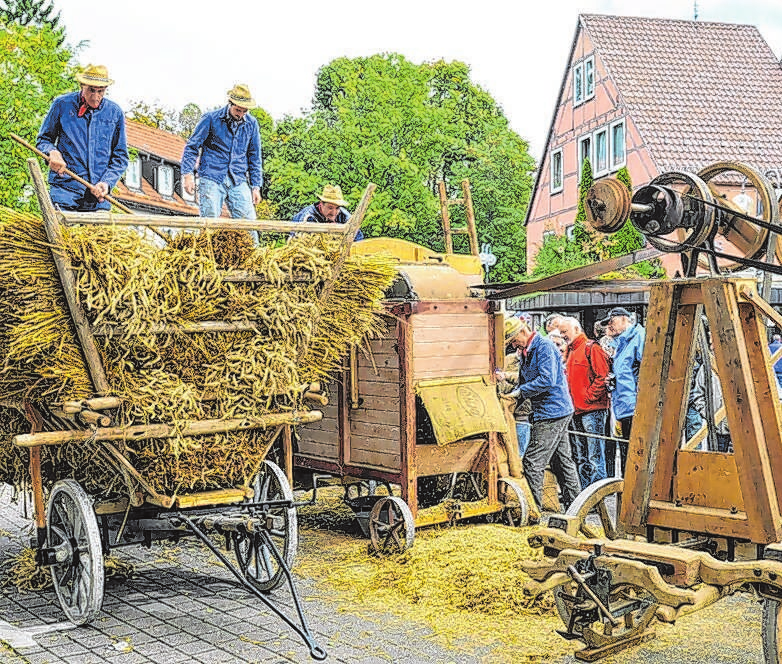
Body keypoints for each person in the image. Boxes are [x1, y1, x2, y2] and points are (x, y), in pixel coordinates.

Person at [505, 314, 581, 511]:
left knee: (532, 462)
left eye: (514, 340)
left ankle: (532, 511)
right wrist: (511, 393)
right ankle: (577, 508)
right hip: (554, 410)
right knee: (562, 462)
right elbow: (526, 380)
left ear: (523, 332)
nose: (514, 345)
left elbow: (547, 380)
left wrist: (520, 393)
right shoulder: (527, 351)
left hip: (552, 412)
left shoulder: (544, 347)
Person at [36, 64, 128, 211]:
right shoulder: (62, 105)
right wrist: (51, 152)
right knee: (60, 231)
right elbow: (44, 140)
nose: (96, 96)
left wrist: (106, 183)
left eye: (101, 91)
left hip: (98, 199)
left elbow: (120, 158)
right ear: (82, 85)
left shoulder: (115, 113)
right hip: (65, 191)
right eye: (91, 90)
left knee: (101, 233)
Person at [181, 84, 262, 220]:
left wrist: (256, 186)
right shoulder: (211, 119)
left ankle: (252, 242)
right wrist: (187, 175)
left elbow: (254, 156)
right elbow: (192, 147)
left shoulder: (252, 124)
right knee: (210, 220)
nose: (240, 114)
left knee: (248, 222)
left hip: (238, 178)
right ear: (230, 103)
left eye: (244, 111)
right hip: (212, 175)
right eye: (238, 110)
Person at [558, 316, 610, 488]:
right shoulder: (571, 351)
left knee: (594, 455)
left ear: (576, 329)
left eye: (565, 331)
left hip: (591, 410)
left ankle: (596, 495)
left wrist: (589, 397)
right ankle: (587, 493)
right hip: (577, 410)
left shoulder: (591, 348)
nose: (562, 335)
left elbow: (602, 377)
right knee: (582, 456)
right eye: (561, 332)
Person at [601, 306, 645, 476]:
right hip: (622, 406)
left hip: (634, 406)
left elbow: (646, 369)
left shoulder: (638, 337)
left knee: (633, 454)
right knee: (626, 452)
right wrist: (613, 381)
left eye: (612, 321)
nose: (609, 326)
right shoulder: (620, 343)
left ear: (624, 319)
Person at [496, 315, 533, 457]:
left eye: (514, 341)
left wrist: (506, 376)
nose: (513, 346)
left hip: (522, 414)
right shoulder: (509, 359)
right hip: (508, 413)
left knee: (520, 453)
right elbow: (503, 387)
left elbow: (527, 380)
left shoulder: (532, 355)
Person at [292, 185, 364, 241]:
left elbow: (358, 238)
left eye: (337, 208)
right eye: (330, 208)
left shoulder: (346, 217)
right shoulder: (309, 218)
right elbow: (301, 243)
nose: (334, 212)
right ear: (321, 204)